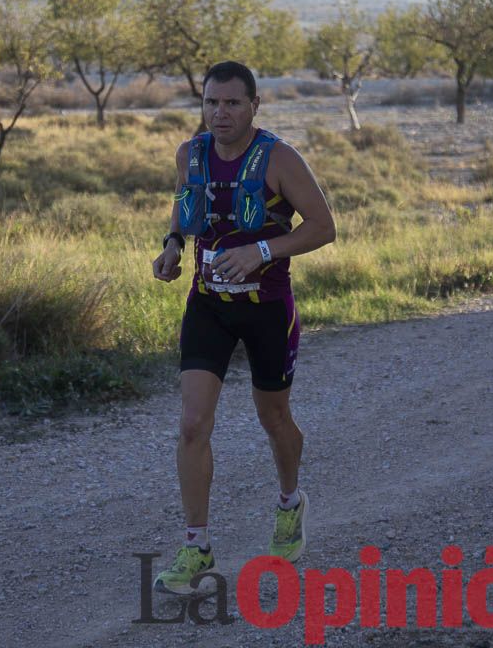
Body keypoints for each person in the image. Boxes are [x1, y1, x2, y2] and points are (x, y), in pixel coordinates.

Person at [150, 60, 336, 595]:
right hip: (207, 304)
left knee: (274, 419)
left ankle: (289, 504)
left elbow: (324, 227)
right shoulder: (191, 153)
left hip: (267, 308)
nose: (220, 112)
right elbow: (185, 208)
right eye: (211, 102)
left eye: (232, 103)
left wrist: (262, 251)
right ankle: (196, 546)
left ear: (255, 106)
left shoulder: (279, 158)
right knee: (191, 424)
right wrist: (172, 246)